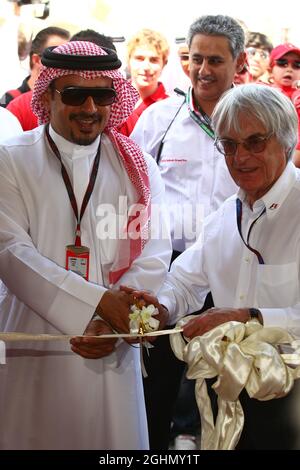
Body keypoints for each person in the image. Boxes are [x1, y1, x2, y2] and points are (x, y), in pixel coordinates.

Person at [0, 40, 171, 450]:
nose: (90, 108)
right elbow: (9, 252)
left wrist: (114, 318)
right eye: (75, 94)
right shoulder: (11, 158)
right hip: (36, 342)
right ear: (49, 94)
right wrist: (96, 305)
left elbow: (154, 250)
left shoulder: (136, 165)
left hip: (111, 346)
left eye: (103, 95)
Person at [131, 83, 300, 449]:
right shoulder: (225, 216)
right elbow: (183, 282)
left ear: (287, 141)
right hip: (229, 399)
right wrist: (156, 308)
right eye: (229, 145)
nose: (240, 157)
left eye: (255, 142)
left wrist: (248, 316)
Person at [131, 14, 246, 449]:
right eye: (195, 58)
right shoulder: (159, 118)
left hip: (233, 271)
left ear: (238, 63)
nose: (203, 70)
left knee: (228, 382)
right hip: (170, 269)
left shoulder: (252, 118)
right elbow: (134, 195)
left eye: (215, 60)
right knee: (158, 382)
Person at [1, 26, 70, 107]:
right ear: (36, 60)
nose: (65, 65)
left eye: (68, 58)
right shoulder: (9, 100)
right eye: (57, 58)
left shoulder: (65, 102)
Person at [119, 28, 170, 136]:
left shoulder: (169, 109)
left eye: (153, 60)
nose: (146, 67)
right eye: (139, 58)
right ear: (128, 61)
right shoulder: (113, 99)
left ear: (164, 64)